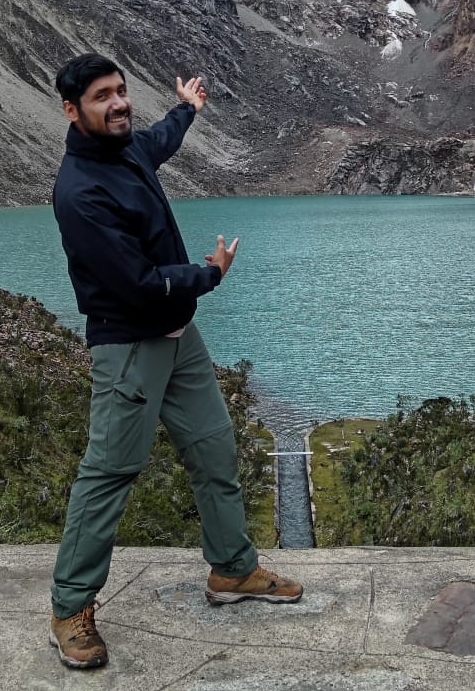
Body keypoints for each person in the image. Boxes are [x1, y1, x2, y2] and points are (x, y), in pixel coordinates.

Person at [48, 53, 302, 670]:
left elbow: (158, 141)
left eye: (121, 91)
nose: (117, 104)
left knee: (215, 448)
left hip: (178, 336)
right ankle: (69, 608)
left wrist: (187, 108)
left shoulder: (128, 147)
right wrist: (208, 275)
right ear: (71, 110)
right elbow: (136, 284)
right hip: (129, 344)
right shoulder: (78, 193)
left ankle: (232, 570)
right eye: (102, 96)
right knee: (110, 471)